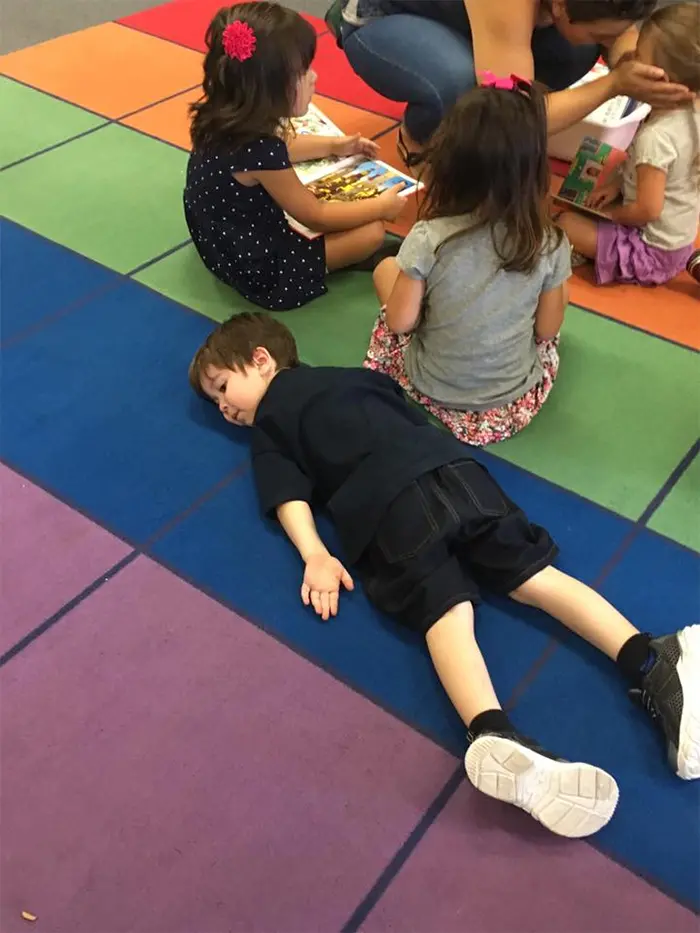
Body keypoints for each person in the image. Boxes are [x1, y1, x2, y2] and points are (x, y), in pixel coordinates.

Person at [188, 311, 700, 838]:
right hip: (457, 472)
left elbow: (287, 495)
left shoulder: (272, 421)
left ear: (262, 360)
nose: (225, 409)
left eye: (223, 388)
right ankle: (652, 659)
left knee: (444, 611)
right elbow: (407, 414)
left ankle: (492, 730)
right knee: (533, 576)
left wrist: (314, 553)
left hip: (386, 506)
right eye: (215, 404)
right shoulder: (357, 377)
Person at [366, 76, 570, 446]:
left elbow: (399, 322)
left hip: (432, 385)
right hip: (509, 401)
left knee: (385, 269)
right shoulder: (549, 242)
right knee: (548, 306)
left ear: (449, 162)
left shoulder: (430, 237)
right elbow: (547, 329)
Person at [183, 2, 407, 312]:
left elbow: (286, 146)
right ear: (270, 88)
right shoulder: (260, 150)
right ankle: (328, 262)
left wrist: (335, 146)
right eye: (303, 72)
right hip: (260, 268)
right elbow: (316, 215)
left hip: (215, 240)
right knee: (372, 233)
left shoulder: (228, 116)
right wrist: (382, 206)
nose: (314, 77)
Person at [329, 0, 693, 166]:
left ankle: (505, 142)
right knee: (463, 88)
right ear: (560, 6)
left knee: (578, 50)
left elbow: (621, 30)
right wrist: (614, 84)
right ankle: (420, 135)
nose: (607, 41)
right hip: (381, 17)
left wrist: (630, 63)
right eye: (601, 33)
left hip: (471, 22)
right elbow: (512, 112)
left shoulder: (594, 7)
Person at [556, 2, 700, 286]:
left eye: (639, 57)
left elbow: (647, 210)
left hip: (649, 250)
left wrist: (609, 215)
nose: (629, 59)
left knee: (564, 223)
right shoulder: (691, 112)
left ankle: (606, 257)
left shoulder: (656, 137)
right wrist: (617, 186)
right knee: (599, 181)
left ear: (662, 78)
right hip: (679, 241)